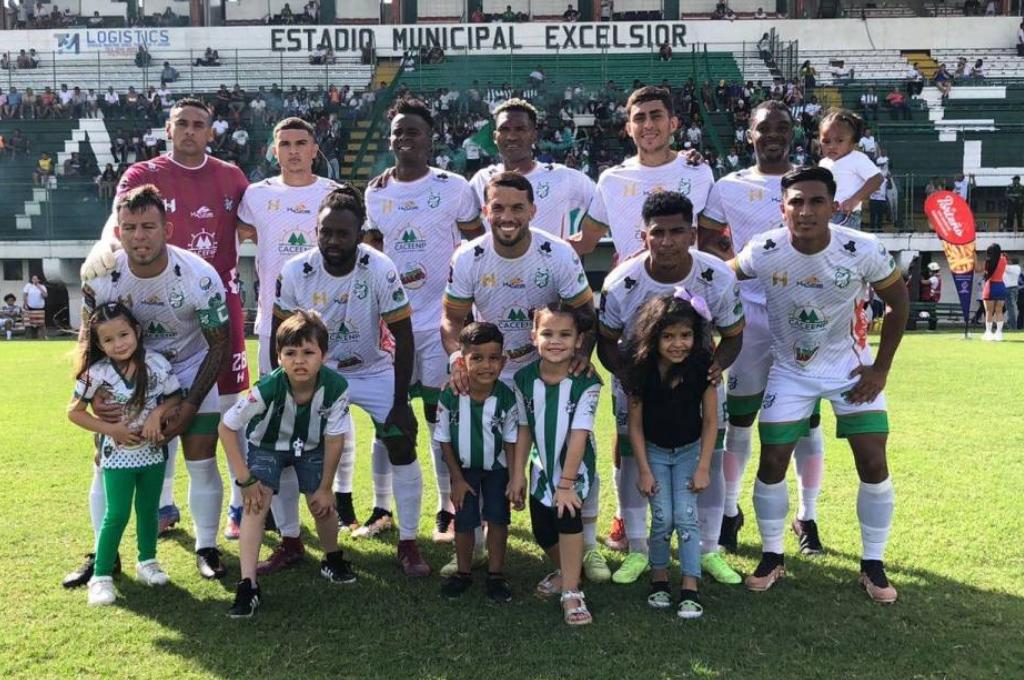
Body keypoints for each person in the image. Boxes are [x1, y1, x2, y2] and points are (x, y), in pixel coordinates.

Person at [729, 166, 909, 604]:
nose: (805, 211)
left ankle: (873, 564)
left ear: (833, 207)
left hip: (849, 369)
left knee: (872, 460)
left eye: (815, 202)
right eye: (796, 202)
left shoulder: (862, 249)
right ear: (782, 209)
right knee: (771, 463)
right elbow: (717, 276)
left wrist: (880, 369)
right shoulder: (764, 249)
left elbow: (899, 303)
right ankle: (773, 556)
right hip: (790, 372)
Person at [82, 98, 250, 538]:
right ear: (167, 129)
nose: (190, 131)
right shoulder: (142, 174)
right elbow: (118, 219)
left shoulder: (232, 177)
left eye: (199, 125)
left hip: (214, 299)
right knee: (146, 407)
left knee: (228, 409)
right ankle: (162, 506)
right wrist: (103, 245)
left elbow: (262, 226)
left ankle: (238, 507)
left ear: (211, 132)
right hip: (149, 310)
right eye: (182, 124)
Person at [63, 185, 231, 590]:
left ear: (167, 229)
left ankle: (206, 548)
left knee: (201, 455)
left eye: (149, 226)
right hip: (126, 371)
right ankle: (106, 555)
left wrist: (189, 406)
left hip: (190, 367)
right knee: (105, 461)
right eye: (130, 227)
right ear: (117, 232)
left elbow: (219, 345)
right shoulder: (102, 277)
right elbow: (90, 338)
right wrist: (96, 392)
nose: (139, 236)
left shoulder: (199, 276)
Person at [441, 172, 601, 580]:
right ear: (485, 211)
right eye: (498, 207)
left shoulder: (558, 253)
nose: (507, 216)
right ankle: (474, 544)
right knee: (476, 454)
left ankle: (591, 546)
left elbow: (586, 312)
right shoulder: (468, 257)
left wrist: (581, 353)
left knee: (572, 452)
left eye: (516, 208)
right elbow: (451, 319)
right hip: (488, 375)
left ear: (533, 210)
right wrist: (458, 358)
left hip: (545, 374)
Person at [273, 188, 430, 577]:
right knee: (284, 449)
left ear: (360, 234)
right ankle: (291, 542)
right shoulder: (295, 270)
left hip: (372, 369)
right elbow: (279, 335)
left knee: (399, 438)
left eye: (343, 234)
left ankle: (408, 542)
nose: (333, 241)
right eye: (326, 232)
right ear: (316, 231)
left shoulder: (379, 267)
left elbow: (404, 335)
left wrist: (399, 402)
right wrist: (280, 390)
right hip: (317, 373)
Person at [698, 102, 829, 560]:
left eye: (782, 127)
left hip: (801, 319)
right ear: (748, 134)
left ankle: (807, 516)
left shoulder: (813, 181)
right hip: (748, 319)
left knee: (808, 422)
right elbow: (709, 243)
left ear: (794, 133)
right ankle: (731, 512)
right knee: (741, 420)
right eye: (763, 128)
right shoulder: (728, 185)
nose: (773, 134)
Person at [600, 190, 744, 585]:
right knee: (633, 456)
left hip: (698, 387)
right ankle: (637, 549)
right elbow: (606, 339)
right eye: (657, 232)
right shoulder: (621, 282)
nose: (667, 241)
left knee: (709, 457)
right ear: (642, 235)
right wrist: (631, 380)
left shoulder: (717, 275)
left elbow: (733, 335)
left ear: (693, 234)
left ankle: (710, 549)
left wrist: (715, 369)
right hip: (639, 387)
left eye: (677, 232)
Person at [361, 99, 483, 554]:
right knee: (386, 418)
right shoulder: (375, 193)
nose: (404, 139)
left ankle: (448, 509)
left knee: (437, 420)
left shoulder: (455, 188)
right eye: (397, 132)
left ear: (430, 139)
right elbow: (371, 252)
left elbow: (478, 245)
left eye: (413, 131)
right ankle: (380, 508)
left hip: (438, 326)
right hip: (391, 327)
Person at [234, 117, 345, 551]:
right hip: (274, 325)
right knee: (273, 424)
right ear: (273, 150)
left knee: (331, 420)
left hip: (328, 327)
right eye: (285, 144)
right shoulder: (256, 196)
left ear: (315, 148)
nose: (294, 151)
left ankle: (337, 501)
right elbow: (243, 235)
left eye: (302, 143)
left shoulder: (332, 194)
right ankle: (288, 531)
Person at [220, 310, 355, 618]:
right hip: (267, 446)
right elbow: (227, 427)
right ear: (278, 356)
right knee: (256, 503)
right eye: (290, 353)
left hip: (310, 446)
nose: (299, 360)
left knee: (322, 504)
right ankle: (248, 584)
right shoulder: (267, 388)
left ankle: (332, 559)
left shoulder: (336, 387)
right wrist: (245, 479)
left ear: (324, 354)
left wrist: (325, 487)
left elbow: (335, 438)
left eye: (308, 352)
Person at [68, 303, 182, 606]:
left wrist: (158, 413)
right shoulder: (96, 374)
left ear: (137, 332)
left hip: (153, 452)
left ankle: (148, 562)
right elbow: (74, 413)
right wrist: (112, 430)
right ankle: (101, 576)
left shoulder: (156, 363)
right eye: (108, 339)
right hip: (117, 455)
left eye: (124, 334)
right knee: (116, 514)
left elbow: (175, 396)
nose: (118, 344)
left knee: (148, 510)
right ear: (99, 344)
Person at [621, 293, 717, 619]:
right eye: (669, 336)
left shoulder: (702, 367)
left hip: (690, 453)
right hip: (655, 454)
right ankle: (659, 579)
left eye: (685, 335)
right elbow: (634, 426)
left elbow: (711, 421)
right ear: (654, 335)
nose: (678, 344)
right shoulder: (640, 370)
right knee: (662, 517)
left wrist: (704, 466)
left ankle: (690, 586)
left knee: (686, 517)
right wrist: (644, 470)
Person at [508, 302, 602, 626]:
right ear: (534, 336)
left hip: (574, 469)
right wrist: (517, 473)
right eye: (547, 333)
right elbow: (523, 428)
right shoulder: (523, 379)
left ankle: (572, 592)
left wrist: (566, 484)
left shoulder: (587, 382)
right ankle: (569, 570)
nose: (555, 341)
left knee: (567, 520)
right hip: (540, 466)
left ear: (578, 341)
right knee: (542, 530)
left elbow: (579, 433)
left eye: (565, 334)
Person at [434, 322, 519, 602]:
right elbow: (444, 440)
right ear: (462, 361)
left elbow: (511, 441)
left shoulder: (506, 398)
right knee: (464, 521)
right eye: (477, 358)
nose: (486, 365)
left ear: (503, 361)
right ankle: (463, 572)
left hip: (496, 472)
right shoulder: (450, 395)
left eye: (494, 358)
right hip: (464, 472)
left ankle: (496, 575)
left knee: (497, 520)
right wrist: (456, 479)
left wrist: (516, 477)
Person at [469, 99, 595, 240]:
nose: (511, 136)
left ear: (534, 135)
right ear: (494, 137)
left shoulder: (563, 177)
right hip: (494, 263)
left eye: (520, 129)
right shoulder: (481, 180)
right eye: (504, 129)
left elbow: (605, 207)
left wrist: (582, 243)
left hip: (550, 263)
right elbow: (462, 220)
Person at [817, 108, 883, 229]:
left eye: (839, 141)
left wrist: (855, 199)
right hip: (826, 214)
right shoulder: (823, 163)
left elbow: (877, 178)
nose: (832, 146)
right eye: (826, 141)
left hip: (845, 214)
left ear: (852, 142)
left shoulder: (857, 158)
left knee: (843, 246)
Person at [981, 244, 1008, 341]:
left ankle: (988, 333)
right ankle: (999, 333)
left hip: (990, 286)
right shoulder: (1004, 260)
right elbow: (1003, 258)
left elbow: (984, 273)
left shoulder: (988, 261)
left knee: (989, 311)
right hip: (1001, 286)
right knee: (999, 311)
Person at [22, 274, 47, 339]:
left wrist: (39, 287)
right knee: (29, 323)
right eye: (33, 279)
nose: (34, 280)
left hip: (40, 307)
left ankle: (43, 336)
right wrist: (25, 304)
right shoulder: (28, 286)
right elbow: (25, 295)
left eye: (36, 279)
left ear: (39, 280)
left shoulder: (42, 287)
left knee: (41, 323)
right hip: (30, 307)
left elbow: (45, 296)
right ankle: (28, 337)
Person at [1003, 257, 1021, 331]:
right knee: (1011, 308)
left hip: (1010, 289)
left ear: (1011, 261)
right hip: (1014, 288)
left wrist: (1003, 258)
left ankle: (1012, 326)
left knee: (1011, 309)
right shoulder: (1017, 268)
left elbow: (1003, 265)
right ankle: (1011, 324)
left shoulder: (1012, 268)